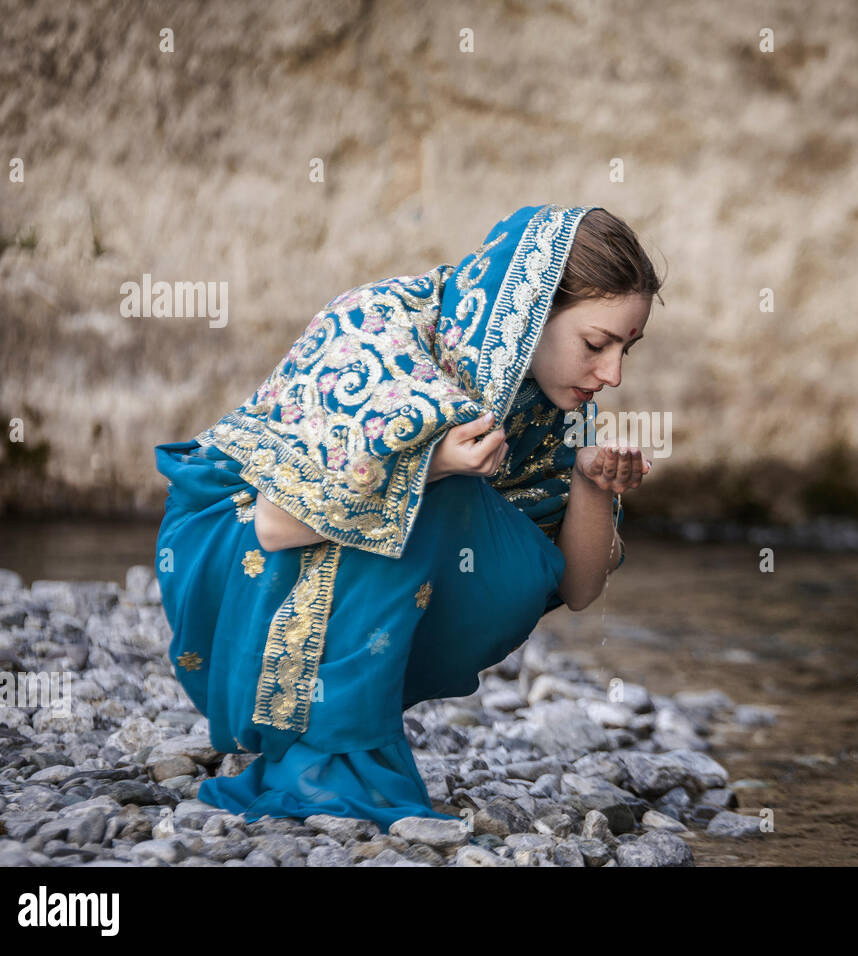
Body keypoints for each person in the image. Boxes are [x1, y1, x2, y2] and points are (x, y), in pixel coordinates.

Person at [151, 203, 663, 828]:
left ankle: (348, 736)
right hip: (230, 553)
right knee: (437, 483)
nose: (610, 375)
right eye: (595, 344)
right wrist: (431, 465)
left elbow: (575, 588)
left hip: (298, 557)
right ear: (532, 312)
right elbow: (275, 526)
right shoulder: (379, 326)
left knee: (495, 536)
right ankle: (327, 756)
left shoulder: (550, 407)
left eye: (625, 351)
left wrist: (590, 483)